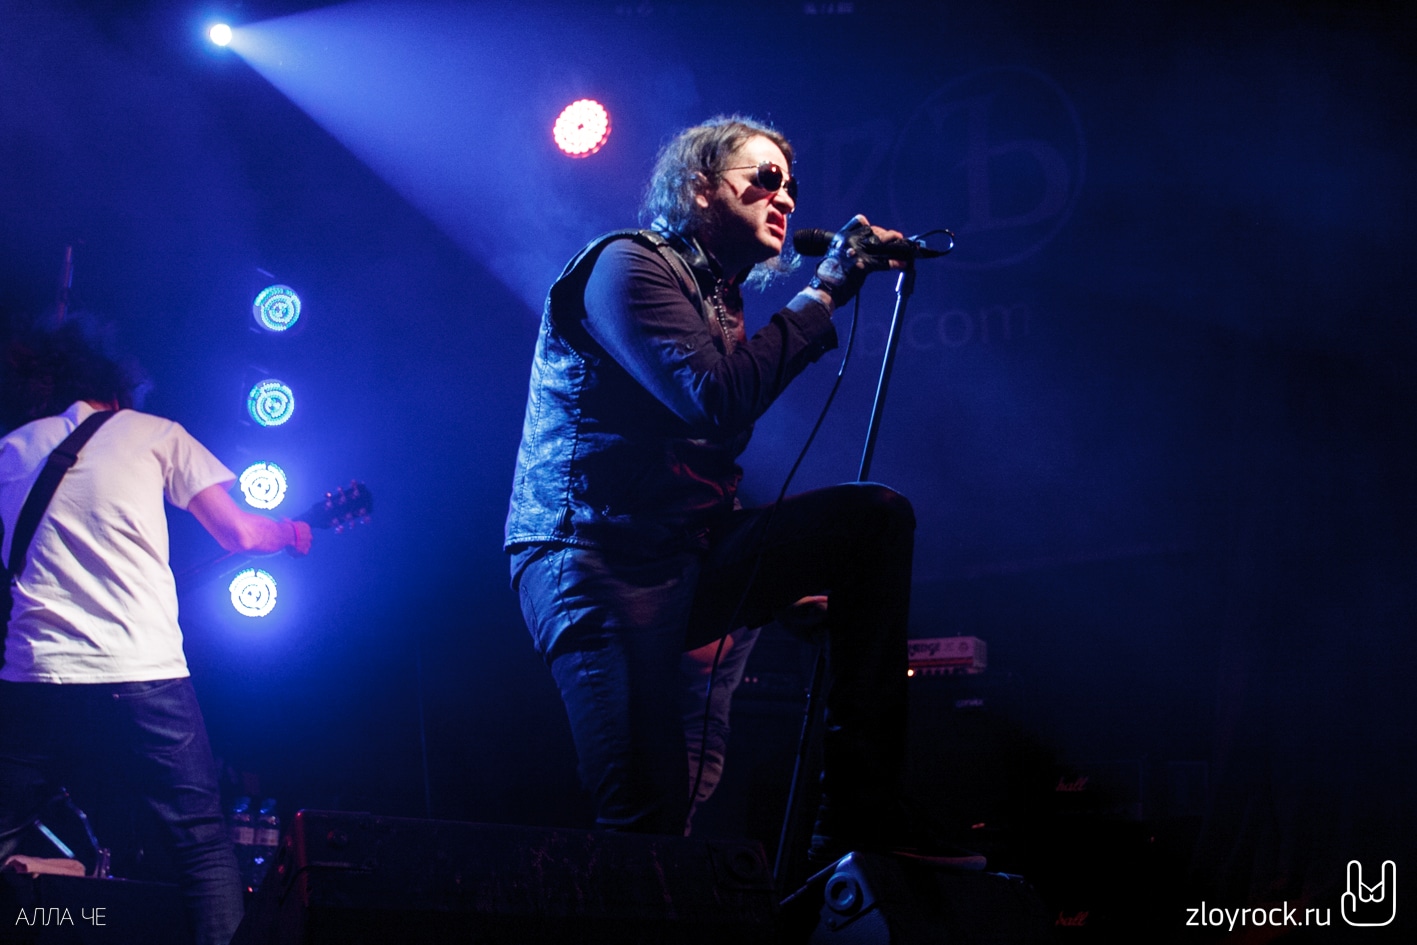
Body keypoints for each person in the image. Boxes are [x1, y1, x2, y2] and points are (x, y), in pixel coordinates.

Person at [505, 115, 948, 865]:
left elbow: (691, 461)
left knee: (871, 519)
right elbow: (712, 400)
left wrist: (779, 584)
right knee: (648, 816)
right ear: (700, 187)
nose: (786, 198)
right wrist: (824, 291)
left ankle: (861, 817)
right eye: (766, 178)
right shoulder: (625, 266)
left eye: (792, 186)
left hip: (682, 552)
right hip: (593, 561)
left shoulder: (719, 299)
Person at [0, 318, 314, 945]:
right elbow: (241, 533)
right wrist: (290, 532)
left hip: (35, 675)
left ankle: (43, 923)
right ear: (118, 385)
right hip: (142, 676)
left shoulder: (12, 448)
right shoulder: (156, 433)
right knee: (201, 847)